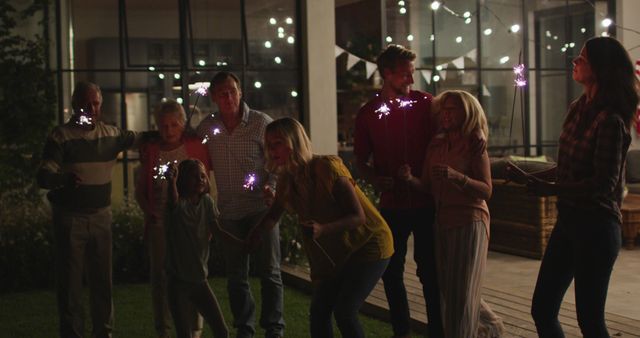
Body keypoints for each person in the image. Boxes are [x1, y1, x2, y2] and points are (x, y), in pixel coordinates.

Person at [507, 36, 638, 337]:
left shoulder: (610, 120)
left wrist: (550, 189)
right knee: (542, 309)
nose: (574, 62)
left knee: (590, 321)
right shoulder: (578, 107)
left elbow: (602, 184)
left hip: (597, 227)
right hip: (569, 222)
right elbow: (568, 167)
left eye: (582, 58)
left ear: (601, 69)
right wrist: (533, 177)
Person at [248, 117, 394, 338]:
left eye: (276, 143)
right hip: (338, 251)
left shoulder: (326, 167)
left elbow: (358, 216)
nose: (270, 149)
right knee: (319, 311)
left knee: (345, 311)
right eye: (268, 144)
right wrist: (252, 236)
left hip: (368, 244)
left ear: (294, 142)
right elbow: (272, 216)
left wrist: (323, 229)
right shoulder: (287, 178)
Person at [37, 82, 142, 338]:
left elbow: (141, 138)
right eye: (86, 103)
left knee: (102, 282)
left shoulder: (110, 135)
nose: (91, 108)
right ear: (75, 105)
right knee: (71, 283)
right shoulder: (61, 136)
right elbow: (44, 174)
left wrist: (173, 132)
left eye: (95, 103)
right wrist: (62, 179)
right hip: (70, 217)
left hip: (101, 216)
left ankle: (103, 332)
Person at [399, 90, 505, 337]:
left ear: (467, 113)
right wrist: (408, 179)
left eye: (452, 109)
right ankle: (491, 326)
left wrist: (459, 178)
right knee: (449, 288)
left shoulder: (474, 144)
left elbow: (486, 191)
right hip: (442, 221)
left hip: (470, 221)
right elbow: (426, 185)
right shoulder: (436, 144)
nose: (446, 114)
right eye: (443, 109)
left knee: (462, 292)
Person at [353, 44, 442, 337]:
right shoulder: (368, 113)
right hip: (391, 204)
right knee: (391, 271)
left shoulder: (427, 105)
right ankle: (401, 331)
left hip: (427, 200)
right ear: (387, 74)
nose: (411, 81)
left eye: (413, 74)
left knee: (430, 272)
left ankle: (437, 331)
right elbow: (360, 162)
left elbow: (449, 136)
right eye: (406, 75)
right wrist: (376, 180)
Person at [196, 71, 284, 338]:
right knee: (236, 277)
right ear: (213, 97)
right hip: (229, 213)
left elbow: (277, 161)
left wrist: (273, 188)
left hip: (260, 209)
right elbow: (192, 152)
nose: (228, 97)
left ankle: (273, 328)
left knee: (269, 272)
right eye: (222, 93)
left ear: (240, 92)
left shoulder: (260, 124)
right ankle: (244, 328)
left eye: (232, 91)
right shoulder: (207, 128)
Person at [135, 99, 211, 338]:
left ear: (182, 125)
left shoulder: (195, 148)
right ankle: (164, 329)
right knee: (160, 277)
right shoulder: (152, 151)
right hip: (161, 223)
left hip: (190, 223)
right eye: (163, 125)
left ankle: (194, 329)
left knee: (194, 275)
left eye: (173, 125)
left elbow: (206, 185)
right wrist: (150, 212)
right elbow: (140, 190)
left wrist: (207, 220)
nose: (168, 131)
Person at [163, 159, 232, 338]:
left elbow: (218, 231)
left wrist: (241, 244)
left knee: (222, 331)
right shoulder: (177, 207)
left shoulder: (207, 202)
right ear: (183, 179)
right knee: (184, 334)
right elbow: (173, 201)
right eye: (194, 176)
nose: (200, 179)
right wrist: (171, 181)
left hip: (200, 281)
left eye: (203, 175)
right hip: (178, 283)